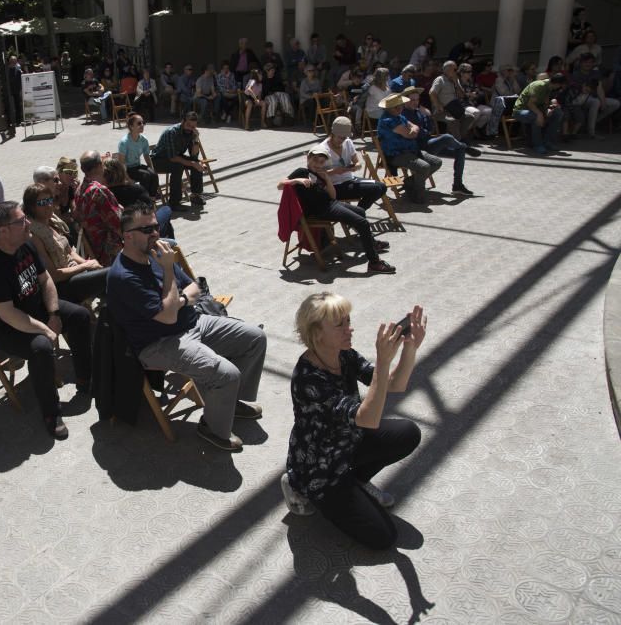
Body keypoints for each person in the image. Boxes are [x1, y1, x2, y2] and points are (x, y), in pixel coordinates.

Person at [107, 202, 267, 450]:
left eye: (156, 226)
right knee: (226, 374)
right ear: (128, 236)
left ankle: (230, 403)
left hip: (193, 322)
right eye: (147, 229)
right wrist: (169, 271)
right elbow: (169, 318)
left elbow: (194, 288)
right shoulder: (125, 276)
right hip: (158, 344)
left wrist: (177, 300)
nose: (155, 233)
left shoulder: (155, 254)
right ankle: (212, 430)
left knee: (255, 337)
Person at [282, 292, 425, 550]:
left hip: (347, 443)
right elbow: (368, 418)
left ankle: (355, 479)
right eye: (340, 325)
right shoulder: (308, 379)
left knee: (408, 433)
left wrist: (410, 348)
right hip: (321, 469)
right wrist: (383, 361)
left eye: (348, 321)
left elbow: (394, 384)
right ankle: (298, 485)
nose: (350, 329)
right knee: (384, 538)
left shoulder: (342, 354)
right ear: (317, 334)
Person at [0, 201, 93, 439]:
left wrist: (54, 313)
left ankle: (85, 378)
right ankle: (51, 412)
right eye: (21, 220)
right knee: (41, 348)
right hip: (3, 327)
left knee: (79, 316)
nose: (28, 223)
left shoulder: (25, 244)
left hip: (33, 310)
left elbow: (45, 280)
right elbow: (9, 314)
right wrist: (45, 330)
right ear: (3, 231)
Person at [279, 148, 395, 274]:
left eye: (321, 161)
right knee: (362, 223)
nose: (318, 164)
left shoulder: (320, 174)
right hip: (321, 210)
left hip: (331, 204)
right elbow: (280, 185)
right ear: (308, 158)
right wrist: (296, 180)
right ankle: (374, 262)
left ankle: (371, 244)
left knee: (360, 212)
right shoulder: (301, 171)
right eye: (315, 160)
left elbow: (333, 196)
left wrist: (327, 179)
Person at [24, 184, 107, 304]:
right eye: (42, 203)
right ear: (31, 207)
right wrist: (85, 266)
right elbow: (54, 275)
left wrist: (87, 263)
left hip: (74, 271)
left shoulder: (52, 222)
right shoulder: (34, 235)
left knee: (109, 275)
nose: (48, 205)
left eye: (49, 200)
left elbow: (70, 251)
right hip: (63, 284)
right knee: (109, 275)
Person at [402, 87, 476, 196]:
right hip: (418, 147)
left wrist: (428, 116)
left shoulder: (419, 111)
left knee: (459, 150)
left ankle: (457, 185)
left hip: (428, 144)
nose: (415, 102)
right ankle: (465, 146)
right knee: (446, 137)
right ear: (405, 100)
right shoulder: (403, 114)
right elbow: (418, 134)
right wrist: (424, 130)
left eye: (417, 100)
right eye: (412, 100)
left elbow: (431, 128)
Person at [376, 93, 442, 204]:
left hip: (411, 150)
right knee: (424, 167)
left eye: (400, 105)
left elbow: (414, 126)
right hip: (396, 154)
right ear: (389, 108)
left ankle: (409, 183)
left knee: (436, 162)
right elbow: (409, 134)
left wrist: (413, 129)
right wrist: (413, 130)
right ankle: (418, 194)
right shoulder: (388, 120)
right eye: (395, 107)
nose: (399, 108)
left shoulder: (399, 116)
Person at [318, 117, 387, 208]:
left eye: (344, 137)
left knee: (382, 186)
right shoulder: (322, 149)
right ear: (333, 133)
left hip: (350, 180)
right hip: (335, 186)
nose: (342, 140)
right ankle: (358, 214)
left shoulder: (347, 142)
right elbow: (317, 174)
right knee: (376, 189)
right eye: (340, 137)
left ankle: (357, 213)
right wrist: (334, 171)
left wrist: (356, 166)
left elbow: (357, 162)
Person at [74, 151, 123, 266]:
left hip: (94, 248)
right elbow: (119, 224)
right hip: (110, 251)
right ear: (100, 165)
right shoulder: (99, 191)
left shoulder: (79, 190)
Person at [152, 111, 207, 212]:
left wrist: (195, 139)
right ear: (182, 121)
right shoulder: (171, 132)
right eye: (188, 125)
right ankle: (174, 202)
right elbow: (172, 157)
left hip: (175, 157)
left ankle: (195, 195)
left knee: (196, 163)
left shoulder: (191, 133)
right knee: (178, 166)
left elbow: (193, 155)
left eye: (193, 127)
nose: (190, 128)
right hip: (159, 159)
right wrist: (192, 163)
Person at [512, 73, 568, 155]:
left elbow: (545, 103)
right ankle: (537, 145)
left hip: (535, 110)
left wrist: (548, 110)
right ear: (557, 84)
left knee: (557, 113)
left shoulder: (549, 87)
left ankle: (548, 141)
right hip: (521, 111)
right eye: (560, 85)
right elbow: (530, 104)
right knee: (536, 117)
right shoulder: (539, 86)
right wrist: (540, 114)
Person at [570, 53, 620, 138]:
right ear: (581, 63)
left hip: (594, 97)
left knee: (615, 103)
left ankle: (593, 122)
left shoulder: (595, 73)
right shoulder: (576, 74)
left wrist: (603, 102)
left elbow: (599, 88)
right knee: (596, 102)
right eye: (585, 62)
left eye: (590, 62)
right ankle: (591, 132)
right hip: (580, 99)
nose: (588, 64)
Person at [430, 61, 479, 142]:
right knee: (453, 121)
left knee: (470, 117)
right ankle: (458, 143)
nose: (457, 71)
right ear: (447, 70)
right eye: (455, 69)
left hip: (455, 109)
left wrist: (456, 82)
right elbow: (432, 93)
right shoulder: (440, 79)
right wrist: (438, 105)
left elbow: (462, 95)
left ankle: (458, 139)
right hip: (442, 110)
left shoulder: (455, 80)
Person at [117, 113, 159, 197]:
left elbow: (146, 156)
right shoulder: (124, 142)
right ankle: (143, 198)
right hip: (128, 169)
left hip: (137, 166)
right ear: (131, 126)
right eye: (139, 123)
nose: (142, 125)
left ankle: (151, 197)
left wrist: (152, 169)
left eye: (143, 123)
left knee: (154, 174)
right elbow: (121, 163)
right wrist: (127, 178)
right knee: (145, 175)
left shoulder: (143, 139)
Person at [6, 55, 24, 126]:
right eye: (12, 61)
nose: (14, 63)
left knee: (17, 105)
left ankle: (18, 121)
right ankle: (10, 121)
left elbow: (21, 78)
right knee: (10, 106)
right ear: (10, 62)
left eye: (15, 61)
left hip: (17, 90)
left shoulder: (18, 69)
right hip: (9, 90)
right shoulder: (7, 70)